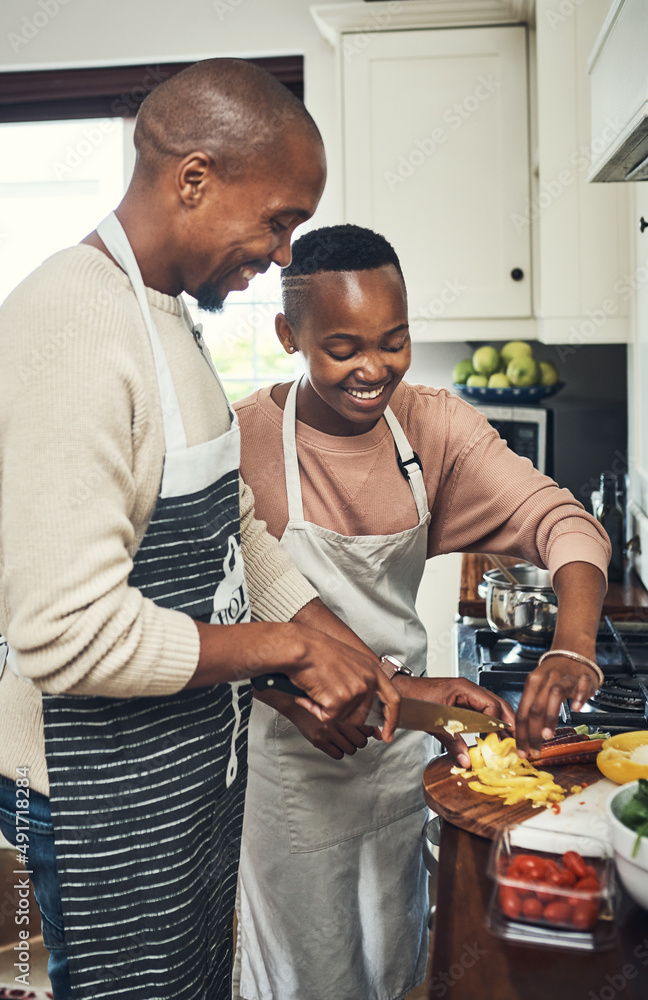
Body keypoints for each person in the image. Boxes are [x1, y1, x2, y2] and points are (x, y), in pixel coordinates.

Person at [0, 64, 407, 1000]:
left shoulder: (168, 319)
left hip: (176, 787)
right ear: (194, 178)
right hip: (84, 817)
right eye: (278, 219)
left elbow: (230, 534)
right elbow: (68, 635)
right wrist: (288, 648)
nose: (283, 251)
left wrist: (357, 664)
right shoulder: (73, 327)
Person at [233, 224, 611, 1000]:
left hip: (410, 751)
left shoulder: (434, 427)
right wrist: (281, 695)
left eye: (394, 340)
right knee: (309, 980)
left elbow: (565, 524)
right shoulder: (243, 442)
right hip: (294, 762)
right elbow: (214, 625)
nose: (375, 369)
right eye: (343, 348)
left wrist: (571, 647)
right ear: (288, 335)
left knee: (395, 965)